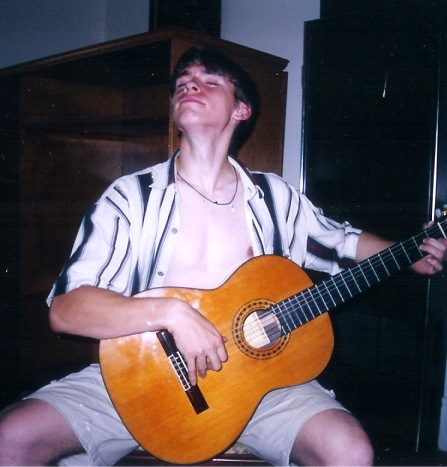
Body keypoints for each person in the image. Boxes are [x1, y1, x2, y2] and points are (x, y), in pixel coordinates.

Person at [0, 46, 446, 467]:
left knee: (350, 451)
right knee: (10, 438)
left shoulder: (276, 197)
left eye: (210, 80)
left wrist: (411, 254)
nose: (190, 85)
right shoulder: (130, 197)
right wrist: (173, 314)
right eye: (183, 82)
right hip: (138, 377)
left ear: (241, 110)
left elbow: (342, 242)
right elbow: (66, 309)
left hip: (263, 390)